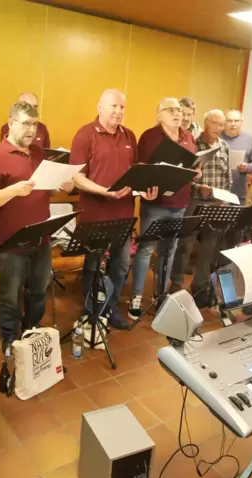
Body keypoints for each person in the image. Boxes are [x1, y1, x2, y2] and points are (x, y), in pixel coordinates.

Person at [0, 102, 73, 348]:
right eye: (25, 124)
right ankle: (10, 337)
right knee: (10, 296)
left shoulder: (40, 153)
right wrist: (12, 190)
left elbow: (45, 191)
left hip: (41, 237)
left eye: (35, 124)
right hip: (11, 241)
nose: (32, 130)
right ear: (11, 123)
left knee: (39, 291)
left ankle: (31, 330)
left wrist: (59, 186)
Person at [70, 89, 157, 329]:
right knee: (93, 264)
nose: (119, 112)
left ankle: (110, 308)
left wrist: (144, 189)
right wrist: (103, 191)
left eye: (122, 108)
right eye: (114, 107)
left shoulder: (129, 136)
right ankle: (90, 312)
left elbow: (136, 173)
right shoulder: (85, 134)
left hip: (124, 215)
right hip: (95, 214)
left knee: (119, 267)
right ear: (100, 107)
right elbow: (76, 177)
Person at [129, 98, 196, 320]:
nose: (177, 113)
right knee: (146, 249)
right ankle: (137, 296)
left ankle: (161, 295)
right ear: (159, 115)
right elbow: (141, 168)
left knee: (169, 250)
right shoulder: (149, 136)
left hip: (180, 202)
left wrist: (195, 174)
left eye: (179, 110)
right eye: (171, 110)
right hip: (155, 203)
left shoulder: (188, 137)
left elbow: (191, 166)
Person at [169, 110, 232, 305]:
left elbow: (227, 176)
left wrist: (225, 198)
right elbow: (184, 175)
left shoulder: (224, 145)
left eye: (222, 125)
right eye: (216, 124)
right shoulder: (193, 143)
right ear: (206, 123)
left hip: (216, 202)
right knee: (185, 244)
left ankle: (200, 287)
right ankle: (176, 285)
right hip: (194, 201)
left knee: (209, 246)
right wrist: (198, 188)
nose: (219, 129)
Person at [221, 109, 252, 205]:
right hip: (219, 192)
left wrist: (247, 167)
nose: (233, 124)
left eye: (236, 121)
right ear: (224, 122)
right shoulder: (217, 137)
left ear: (241, 122)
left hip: (238, 193)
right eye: (229, 120)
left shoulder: (249, 139)